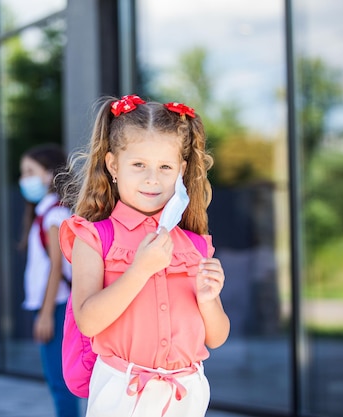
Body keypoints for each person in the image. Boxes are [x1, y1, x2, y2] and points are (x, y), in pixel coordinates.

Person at [58, 95, 230, 417]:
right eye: (139, 165)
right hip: (121, 395)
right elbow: (88, 320)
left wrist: (208, 299)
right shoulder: (95, 238)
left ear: (180, 171)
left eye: (165, 167)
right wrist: (140, 271)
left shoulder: (195, 245)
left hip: (186, 394)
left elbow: (217, 337)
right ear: (113, 165)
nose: (152, 178)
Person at [18, 144, 80, 417]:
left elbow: (57, 266)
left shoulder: (55, 215)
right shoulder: (44, 213)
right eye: (23, 172)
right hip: (50, 306)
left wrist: (45, 315)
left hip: (56, 307)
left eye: (30, 171)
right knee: (57, 379)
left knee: (60, 381)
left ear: (49, 175)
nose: (24, 179)